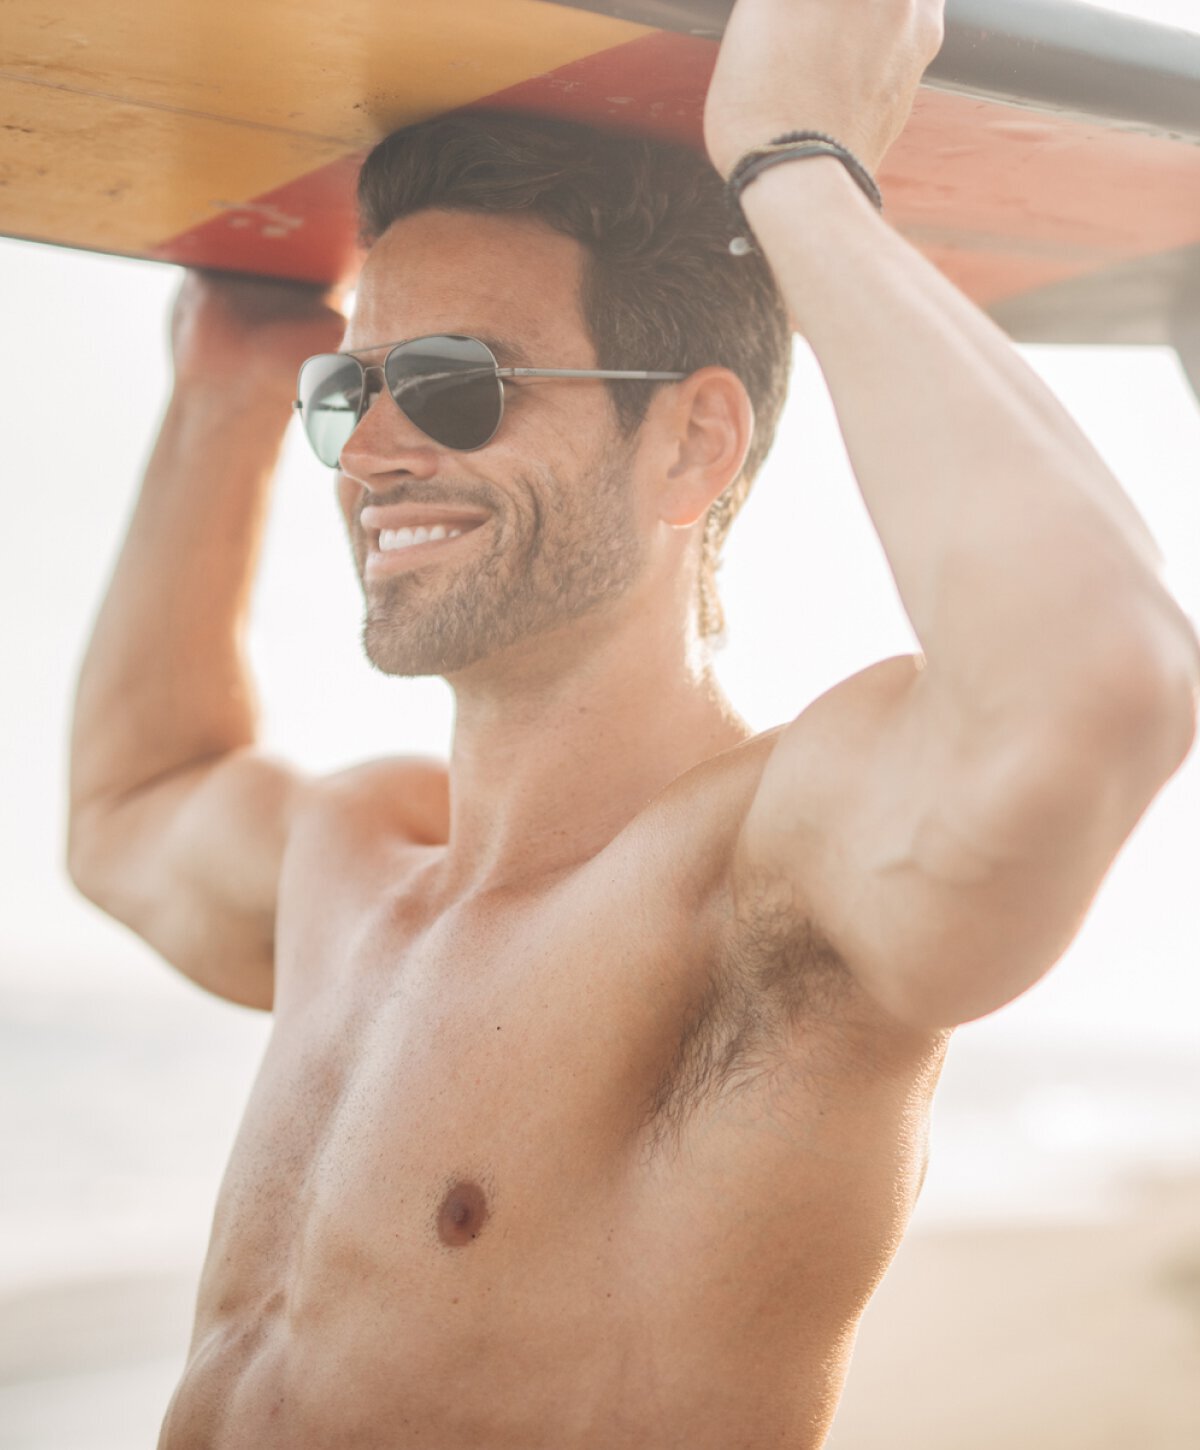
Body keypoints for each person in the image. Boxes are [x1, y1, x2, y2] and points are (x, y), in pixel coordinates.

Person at [67, 1, 1198, 1445]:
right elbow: (129, 803)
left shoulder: (762, 885)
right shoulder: (349, 866)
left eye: (454, 385)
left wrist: (796, 164)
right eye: (350, 387)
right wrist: (225, 391)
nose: (369, 449)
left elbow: (1096, 680)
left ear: (691, 444)